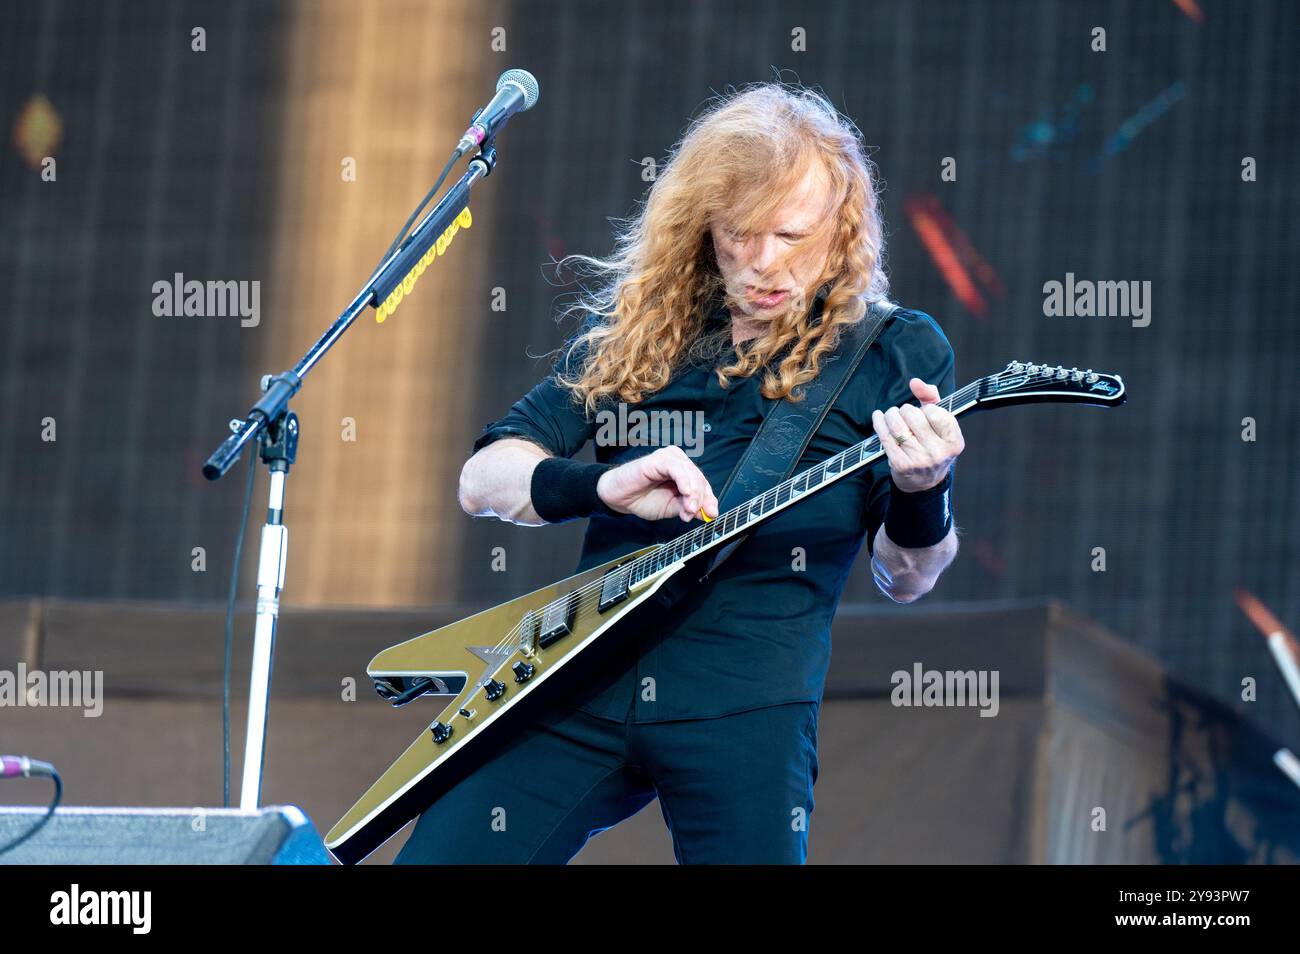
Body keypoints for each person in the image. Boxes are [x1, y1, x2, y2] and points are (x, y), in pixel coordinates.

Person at [394, 82, 965, 865]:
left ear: (841, 233)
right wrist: (595, 486)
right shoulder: (644, 331)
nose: (764, 263)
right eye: (739, 234)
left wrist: (922, 490)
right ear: (703, 228)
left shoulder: (893, 352)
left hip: (747, 709)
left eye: (792, 235)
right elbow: (483, 480)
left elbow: (909, 576)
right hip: (578, 684)